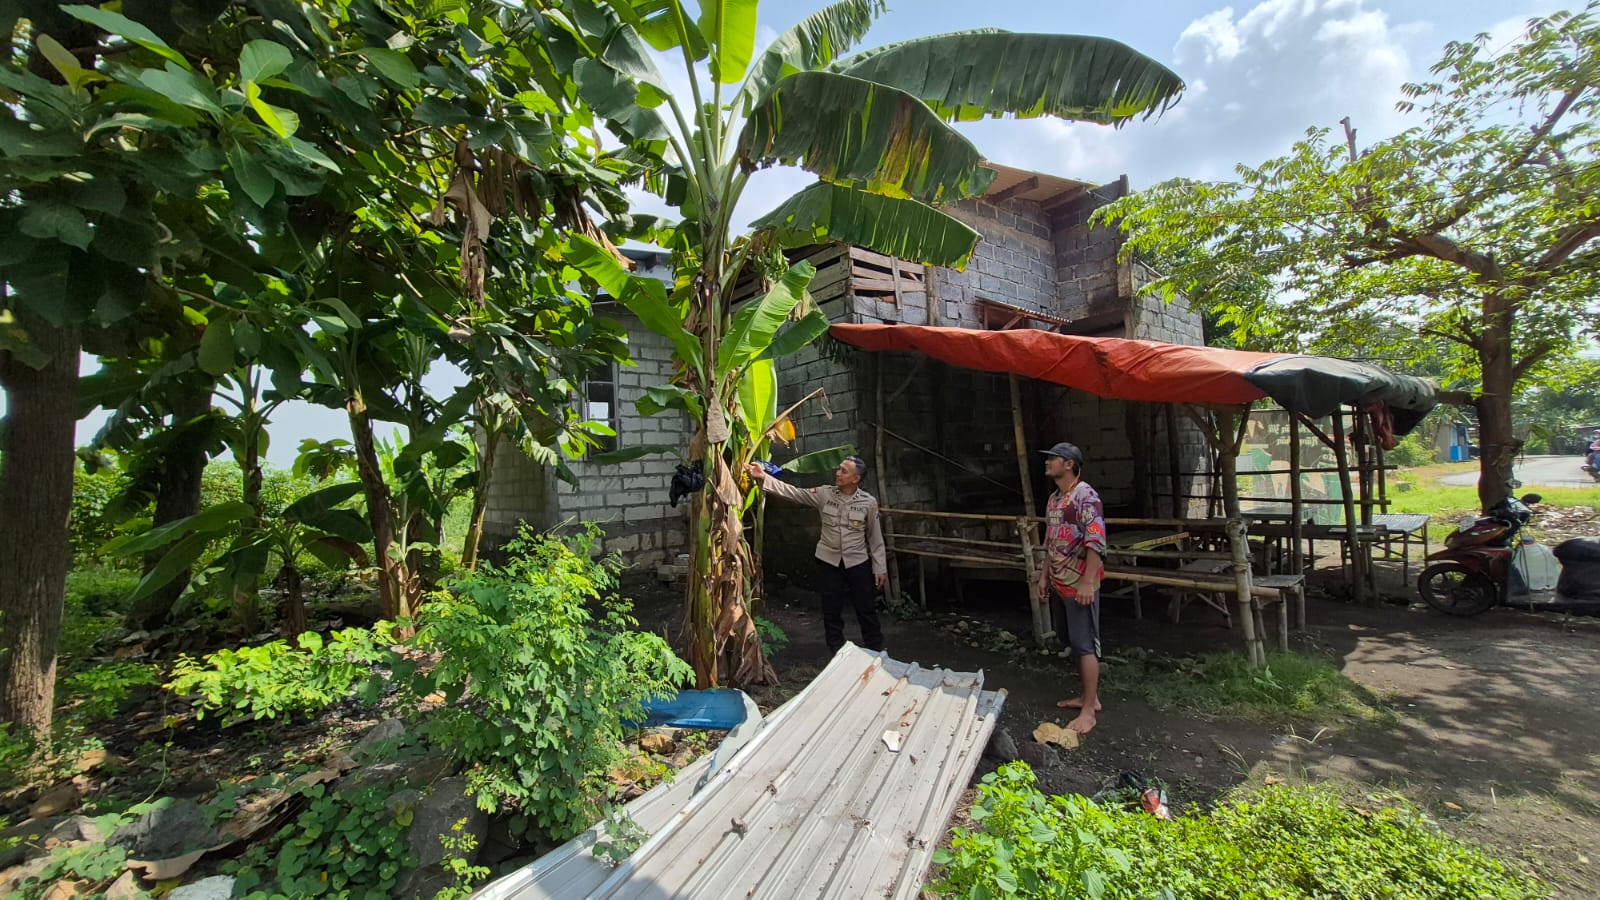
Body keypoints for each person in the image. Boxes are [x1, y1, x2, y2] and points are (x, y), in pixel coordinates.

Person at [745, 456, 887, 656]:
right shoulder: (824, 494)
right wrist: (763, 478)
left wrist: (879, 568)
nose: (838, 473)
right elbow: (794, 493)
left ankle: (876, 649)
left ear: (856, 479)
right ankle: (836, 651)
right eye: (838, 469)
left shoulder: (868, 503)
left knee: (866, 609)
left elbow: (875, 537)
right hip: (828, 561)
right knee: (831, 609)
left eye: (844, 471)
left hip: (858, 563)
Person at [1037, 441, 1106, 735]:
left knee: (1084, 644)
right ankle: (1087, 697)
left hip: (1079, 583)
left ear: (1069, 464)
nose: (1047, 463)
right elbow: (1050, 542)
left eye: (1052, 458)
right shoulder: (1054, 499)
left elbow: (1096, 541)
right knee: (1070, 640)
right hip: (1059, 581)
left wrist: (1089, 581)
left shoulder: (1086, 497)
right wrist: (1043, 576)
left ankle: (1089, 710)